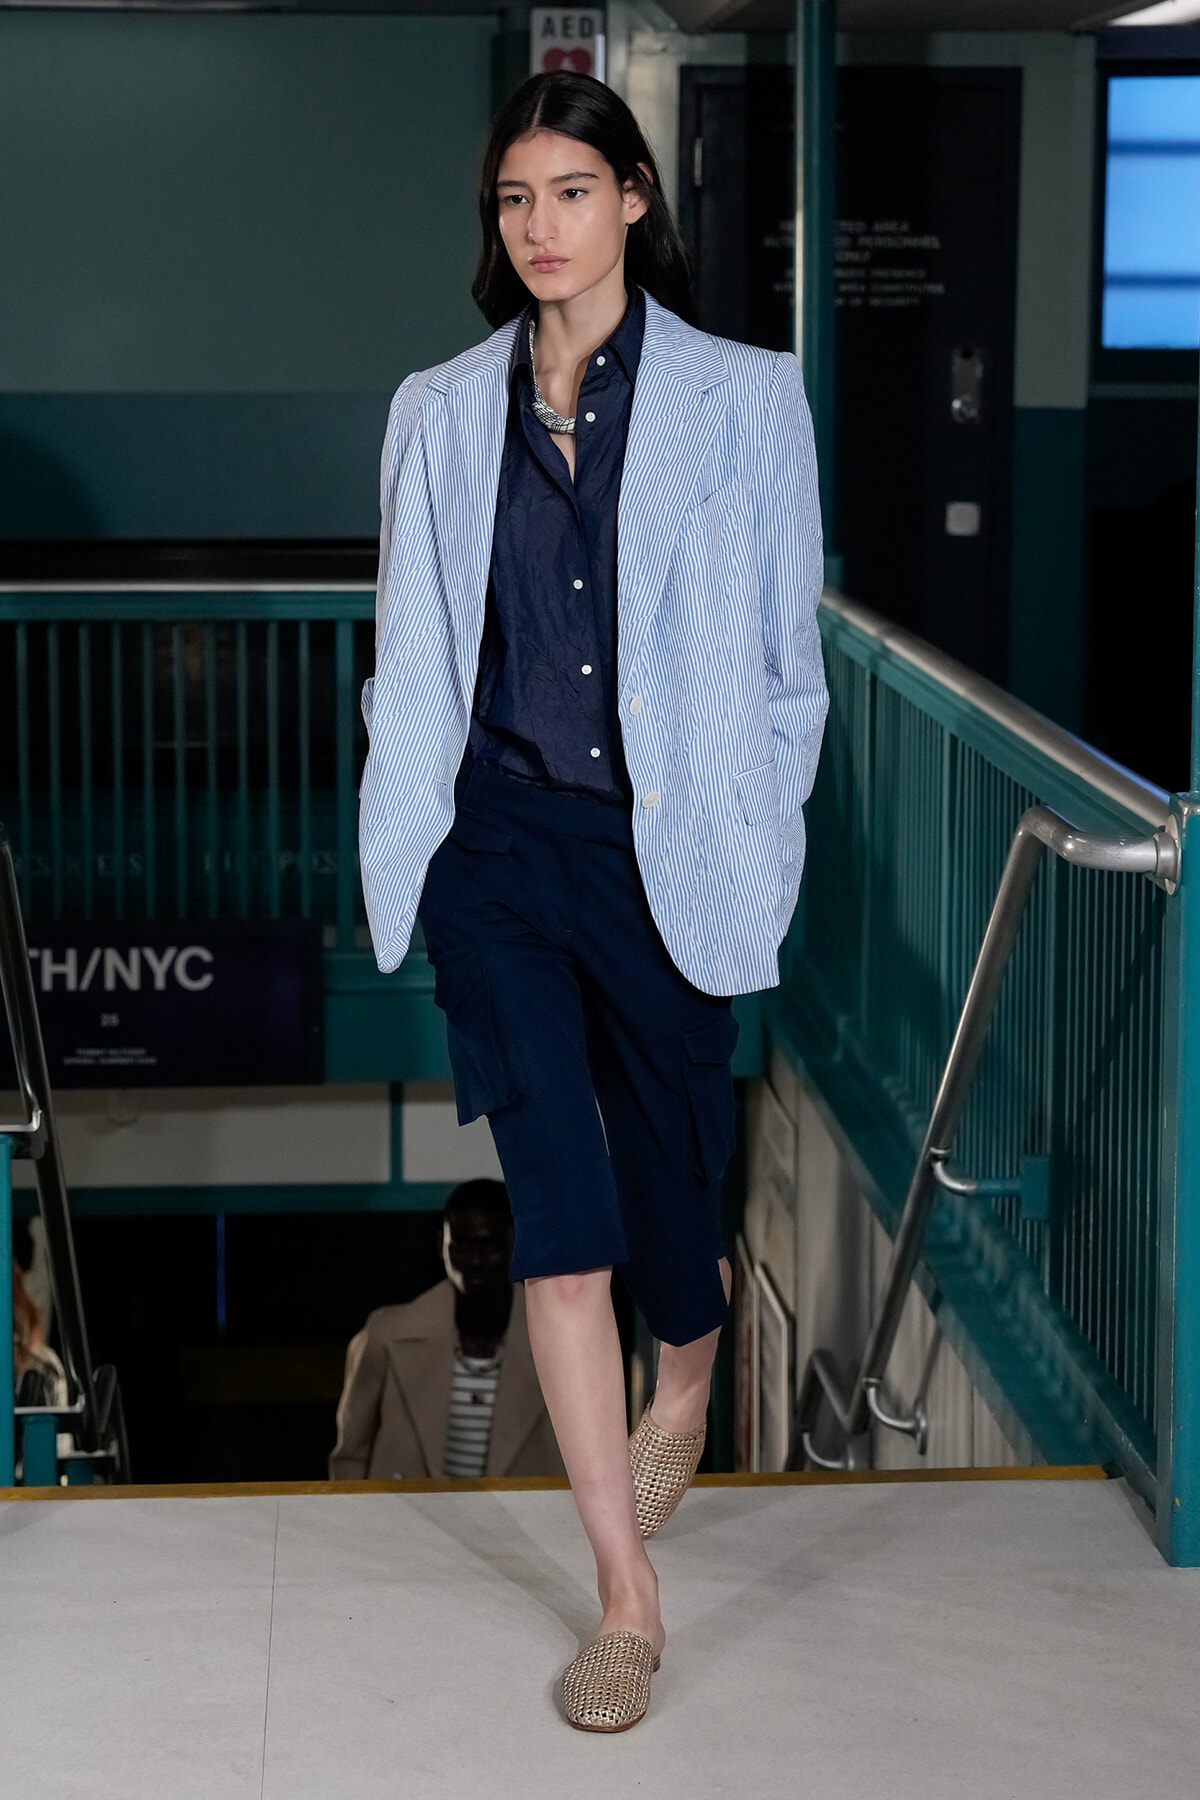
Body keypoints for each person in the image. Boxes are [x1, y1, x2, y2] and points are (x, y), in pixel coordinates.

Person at [358, 69, 827, 1731]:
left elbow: (786, 668)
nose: (540, 227)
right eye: (515, 200)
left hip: (661, 851)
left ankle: (689, 1362)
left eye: (571, 191)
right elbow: (413, 644)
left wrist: (759, 828)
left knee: (674, 1197)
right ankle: (628, 1600)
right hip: (498, 848)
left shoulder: (743, 398)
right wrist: (413, 821)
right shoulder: (439, 409)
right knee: (560, 1217)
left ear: (633, 197)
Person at [328, 1180, 564, 1481]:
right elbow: (350, 1455)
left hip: (524, 1511)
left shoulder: (558, 1342)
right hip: (406, 1509)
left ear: (516, 1244)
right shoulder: (386, 1334)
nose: (476, 1261)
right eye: (462, 1246)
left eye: (491, 1246)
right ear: (442, 1245)